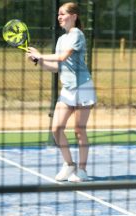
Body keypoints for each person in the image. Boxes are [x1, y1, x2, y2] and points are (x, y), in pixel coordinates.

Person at [26, 2, 96, 182]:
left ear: (73, 16)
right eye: (58, 14)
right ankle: (69, 165)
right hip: (68, 90)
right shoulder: (60, 39)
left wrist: (41, 54)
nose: (59, 17)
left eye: (62, 14)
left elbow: (63, 57)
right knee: (56, 128)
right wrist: (39, 61)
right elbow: (57, 67)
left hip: (83, 87)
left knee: (79, 130)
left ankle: (82, 170)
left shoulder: (77, 35)